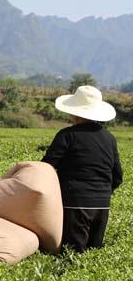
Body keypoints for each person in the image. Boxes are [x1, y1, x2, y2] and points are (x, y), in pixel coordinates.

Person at [42, 85, 123, 253]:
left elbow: (46, 168)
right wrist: (101, 192)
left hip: (75, 203)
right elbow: (117, 176)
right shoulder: (109, 138)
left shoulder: (67, 135)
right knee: (93, 254)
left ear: (75, 112)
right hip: (102, 205)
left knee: (72, 254)